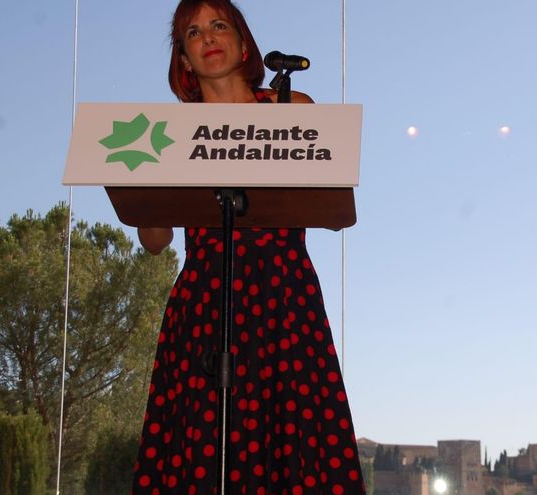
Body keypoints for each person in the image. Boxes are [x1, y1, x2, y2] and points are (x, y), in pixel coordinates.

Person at [132, 1, 365, 493]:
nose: (207, 37)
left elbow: (333, 209)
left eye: (219, 25)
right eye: (192, 33)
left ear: (243, 44)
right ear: (184, 58)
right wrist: (135, 182)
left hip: (283, 294)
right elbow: (155, 243)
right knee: (204, 439)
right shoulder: (171, 132)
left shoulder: (291, 108)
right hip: (205, 301)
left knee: (293, 438)